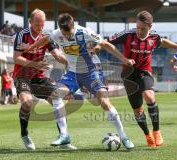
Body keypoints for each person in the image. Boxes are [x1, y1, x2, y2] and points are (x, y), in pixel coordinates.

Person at [21, 13, 136, 150]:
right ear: (60, 29)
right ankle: (64, 135)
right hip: (73, 72)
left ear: (73, 26)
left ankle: (124, 136)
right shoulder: (57, 33)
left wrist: (124, 60)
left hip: (92, 71)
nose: (68, 37)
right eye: (65, 34)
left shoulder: (84, 32)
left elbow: (106, 45)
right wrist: (30, 48)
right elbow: (45, 39)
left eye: (70, 34)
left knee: (104, 102)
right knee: (56, 94)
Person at [108, 11, 177, 147]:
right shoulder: (128, 34)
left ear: (150, 26)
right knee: (138, 110)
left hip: (144, 71)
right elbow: (106, 42)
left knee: (149, 96)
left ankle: (157, 131)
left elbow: (163, 42)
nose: (139, 30)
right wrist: (99, 46)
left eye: (143, 28)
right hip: (128, 75)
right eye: (138, 27)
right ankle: (147, 134)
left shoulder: (154, 37)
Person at [13, 9, 68, 150]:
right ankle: (24, 134)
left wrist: (69, 61)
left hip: (39, 78)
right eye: (37, 24)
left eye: (43, 24)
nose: (40, 27)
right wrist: (35, 64)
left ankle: (63, 136)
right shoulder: (22, 35)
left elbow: (57, 54)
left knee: (58, 100)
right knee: (27, 103)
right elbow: (16, 58)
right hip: (23, 76)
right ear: (30, 22)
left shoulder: (46, 37)